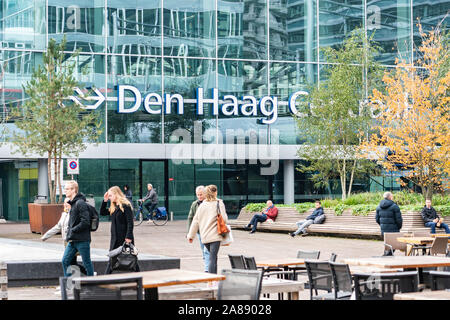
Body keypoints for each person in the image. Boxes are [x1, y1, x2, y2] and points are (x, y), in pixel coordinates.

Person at [187, 185, 228, 274]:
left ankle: (212, 279)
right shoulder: (219, 203)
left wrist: (191, 236)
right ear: (215, 192)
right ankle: (212, 280)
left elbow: (195, 221)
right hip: (215, 235)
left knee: (212, 257)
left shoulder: (202, 205)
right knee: (213, 258)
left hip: (204, 237)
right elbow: (224, 219)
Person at [101, 186, 138, 274]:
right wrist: (105, 200)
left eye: (110, 196)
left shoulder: (126, 206)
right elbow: (102, 212)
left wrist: (128, 237)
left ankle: (106, 278)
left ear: (116, 194)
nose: (109, 198)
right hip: (115, 239)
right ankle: (107, 278)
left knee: (131, 258)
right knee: (112, 259)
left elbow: (130, 223)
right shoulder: (114, 207)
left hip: (124, 238)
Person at [61, 180, 95, 277]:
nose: (65, 191)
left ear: (74, 190)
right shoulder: (72, 204)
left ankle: (91, 285)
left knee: (87, 263)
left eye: (67, 189)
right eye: (65, 189)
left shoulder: (80, 203)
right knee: (65, 261)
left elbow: (86, 221)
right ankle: (69, 286)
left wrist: (73, 230)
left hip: (82, 239)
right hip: (72, 240)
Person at [187, 185, 210, 272]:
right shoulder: (194, 204)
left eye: (201, 194)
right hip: (200, 232)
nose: (199, 196)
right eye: (198, 195)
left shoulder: (208, 203)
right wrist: (189, 233)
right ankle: (207, 264)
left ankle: (207, 269)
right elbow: (190, 217)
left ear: (205, 194)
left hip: (208, 231)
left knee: (206, 250)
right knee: (203, 250)